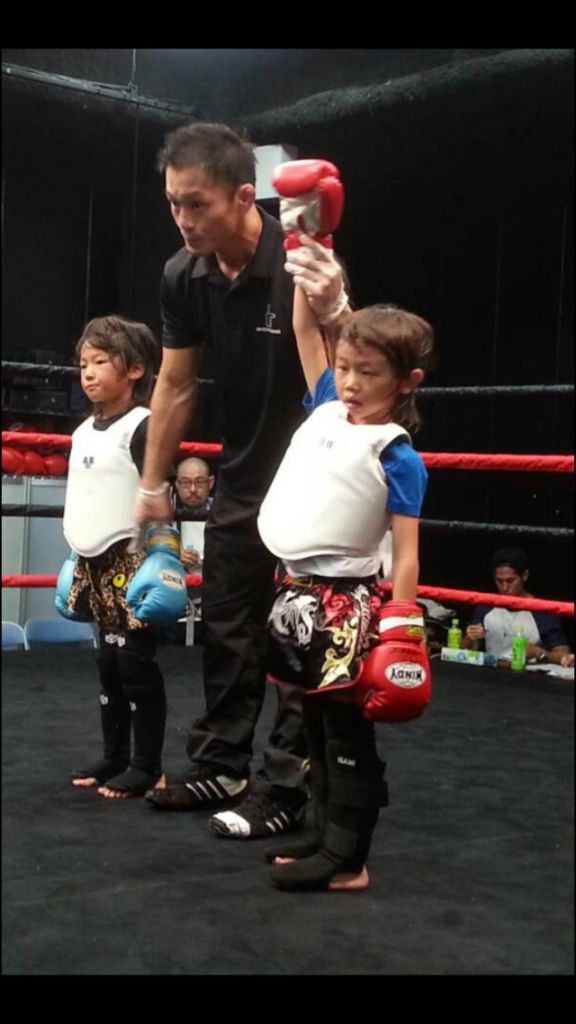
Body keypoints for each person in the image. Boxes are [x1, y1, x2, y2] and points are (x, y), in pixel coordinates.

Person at [138, 125, 350, 836]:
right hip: (240, 475)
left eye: (196, 204)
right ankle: (222, 764)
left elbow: (349, 362)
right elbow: (174, 384)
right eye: (173, 203)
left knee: (294, 632)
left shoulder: (300, 260)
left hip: (312, 482)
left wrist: (334, 302)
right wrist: (152, 483)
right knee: (227, 624)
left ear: (242, 196)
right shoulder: (183, 275)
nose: (183, 219)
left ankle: (286, 786)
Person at [234, 279, 434, 891]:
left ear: (407, 381)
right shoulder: (327, 405)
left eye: (367, 373)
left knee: (346, 726)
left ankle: (349, 860)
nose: (349, 382)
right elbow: (304, 328)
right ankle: (326, 835)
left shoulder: (397, 454)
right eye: (345, 367)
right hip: (298, 591)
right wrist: (307, 255)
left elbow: (406, 553)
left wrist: (403, 629)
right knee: (314, 722)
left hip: (349, 601)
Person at [58, 315, 170, 799]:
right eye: (84, 363)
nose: (88, 372)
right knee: (107, 663)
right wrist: (74, 555)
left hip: (132, 561)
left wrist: (165, 557)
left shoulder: (143, 427)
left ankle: (148, 766)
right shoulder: (84, 430)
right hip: (94, 563)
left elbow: (161, 494)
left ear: (135, 369)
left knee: (133, 666)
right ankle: (115, 755)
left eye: (100, 361)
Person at [466, 547, 574, 668]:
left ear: (525, 576)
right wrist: (470, 638)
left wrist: (540, 653)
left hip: (529, 675)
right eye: (499, 581)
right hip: (490, 673)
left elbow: (565, 656)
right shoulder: (486, 606)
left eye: (510, 581)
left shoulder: (542, 611)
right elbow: (464, 651)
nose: (505, 587)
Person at [174, 456, 215, 573]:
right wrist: (173, 555)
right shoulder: (167, 511)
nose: (193, 489)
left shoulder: (223, 512)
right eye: (186, 482)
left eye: (199, 482)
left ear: (210, 483)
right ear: (177, 484)